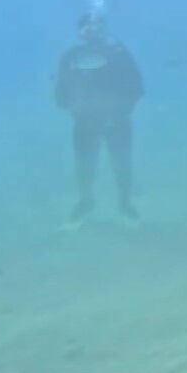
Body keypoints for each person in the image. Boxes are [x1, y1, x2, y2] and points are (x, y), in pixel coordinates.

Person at [55, 14, 143, 231]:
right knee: (84, 169)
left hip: (118, 122)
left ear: (103, 30)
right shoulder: (71, 57)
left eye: (96, 29)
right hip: (85, 124)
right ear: (80, 33)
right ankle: (85, 205)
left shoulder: (119, 54)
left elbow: (137, 87)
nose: (92, 34)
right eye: (87, 30)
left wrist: (118, 113)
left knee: (122, 166)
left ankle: (125, 207)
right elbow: (60, 94)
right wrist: (79, 112)